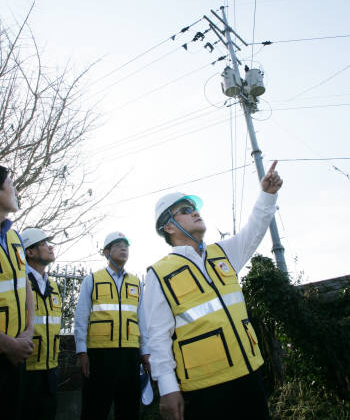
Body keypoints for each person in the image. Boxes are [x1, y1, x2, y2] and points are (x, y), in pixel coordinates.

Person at [144, 161, 283, 420]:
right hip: (205, 389)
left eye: (195, 208)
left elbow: (254, 230)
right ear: (169, 227)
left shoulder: (223, 253)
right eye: (186, 210)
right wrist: (167, 389)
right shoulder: (159, 274)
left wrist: (267, 194)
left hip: (250, 374)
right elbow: (158, 337)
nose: (195, 212)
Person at [74, 231, 150, 420]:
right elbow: (81, 317)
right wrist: (81, 352)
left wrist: (145, 351)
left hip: (130, 356)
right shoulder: (92, 279)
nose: (123, 248)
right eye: (117, 245)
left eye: (126, 245)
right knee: (94, 409)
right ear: (106, 252)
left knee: (129, 409)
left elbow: (143, 319)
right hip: (100, 356)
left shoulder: (136, 283)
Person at [0, 166, 35, 419]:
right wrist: (7, 344)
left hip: (16, 354)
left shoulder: (15, 238)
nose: (15, 189)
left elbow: (26, 287)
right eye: (10, 183)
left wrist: (29, 330)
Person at [21, 227, 62, 420]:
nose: (50, 247)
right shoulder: (19, 283)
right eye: (44, 244)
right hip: (25, 372)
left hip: (50, 371)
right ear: (29, 252)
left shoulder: (53, 286)